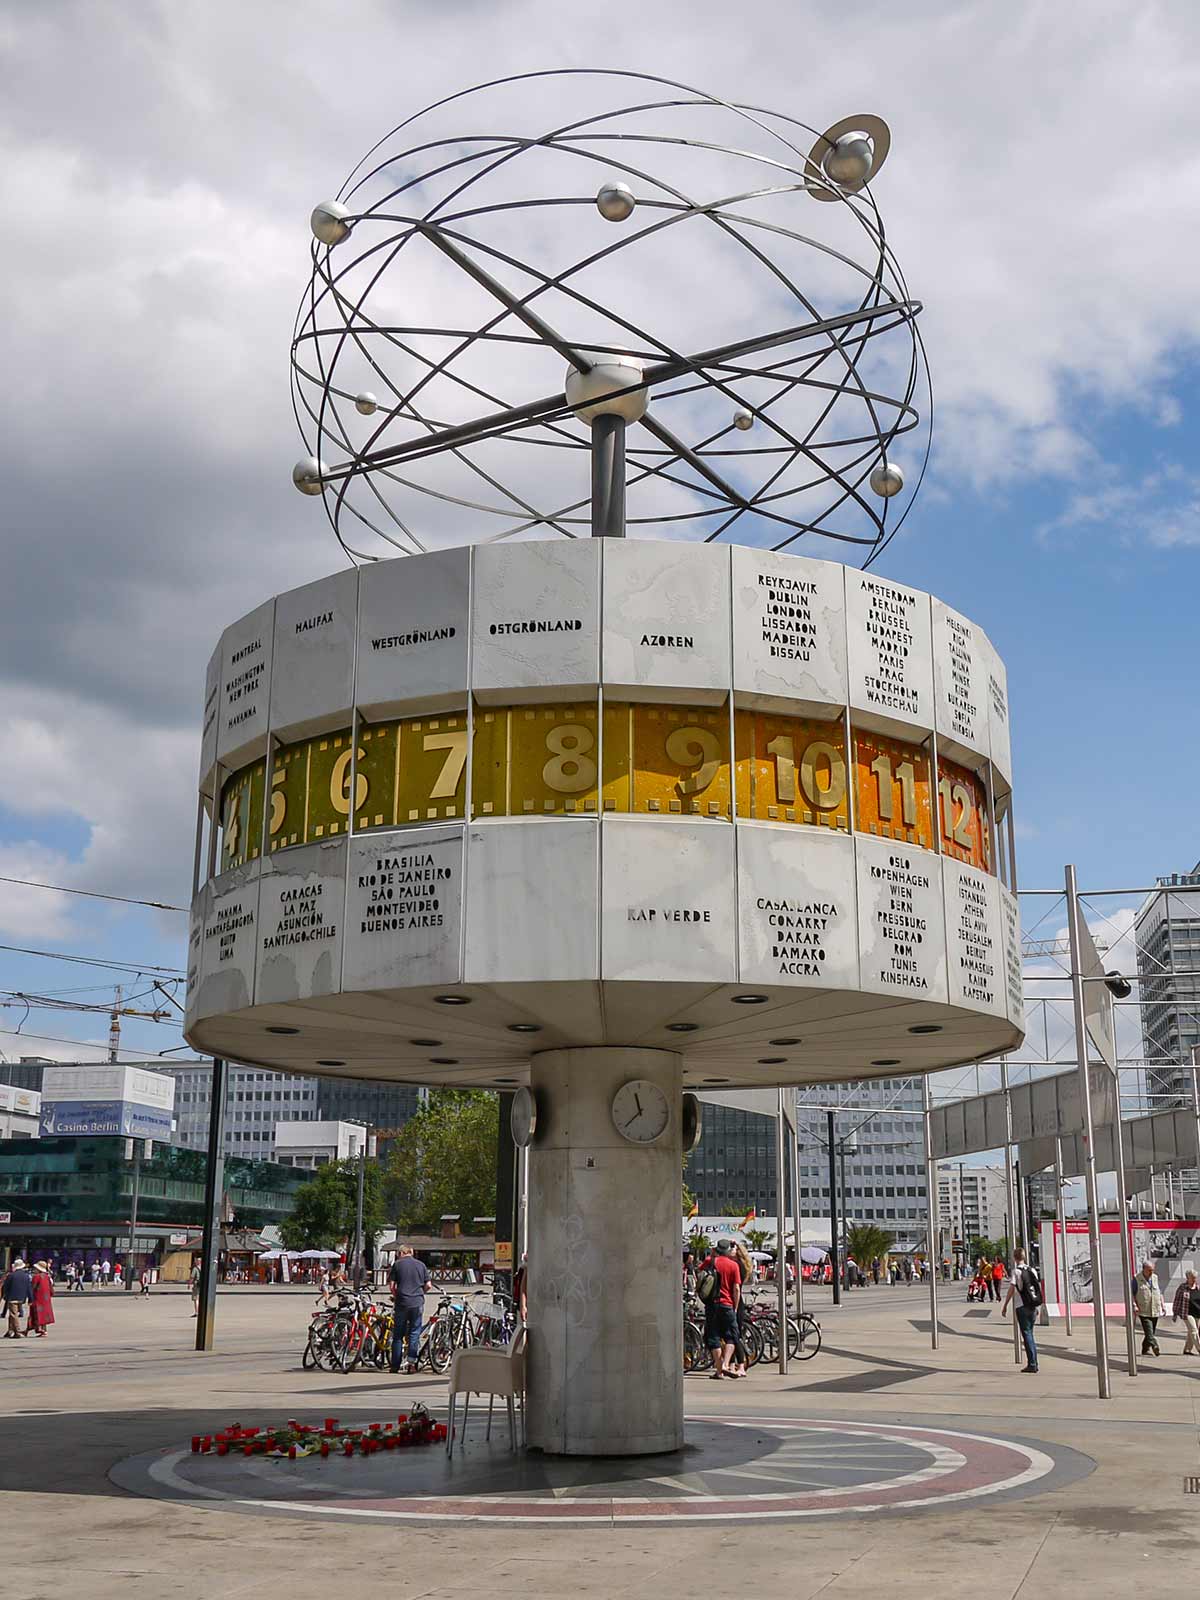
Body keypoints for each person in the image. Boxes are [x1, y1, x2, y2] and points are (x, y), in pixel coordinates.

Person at [698, 1239, 741, 1380]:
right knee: (731, 1336)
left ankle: (719, 1370)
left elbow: (700, 1275)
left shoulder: (710, 1261)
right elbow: (736, 1289)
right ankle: (726, 1364)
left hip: (711, 1304)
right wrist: (735, 1306)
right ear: (728, 1250)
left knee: (713, 1336)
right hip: (727, 1304)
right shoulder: (733, 1265)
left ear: (716, 1249)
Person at [388, 1245, 432, 1375]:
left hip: (402, 1302)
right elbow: (428, 1285)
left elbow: (391, 1286)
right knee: (414, 1333)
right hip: (417, 1302)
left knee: (398, 1335)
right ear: (411, 1253)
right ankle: (411, 1365)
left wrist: (396, 1296)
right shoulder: (421, 1265)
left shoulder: (397, 1265)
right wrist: (420, 1293)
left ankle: (395, 1366)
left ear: (402, 1252)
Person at [1001, 1246, 1043, 1373]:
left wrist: (1005, 1305)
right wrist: (1037, 1305)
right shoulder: (1032, 1270)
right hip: (1033, 1305)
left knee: (1027, 1334)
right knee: (1030, 1333)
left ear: (1014, 1258)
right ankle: (1034, 1361)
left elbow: (1011, 1289)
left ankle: (1032, 1364)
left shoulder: (1016, 1272)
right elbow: (1036, 1288)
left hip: (1021, 1306)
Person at [1134, 1259, 1164, 1355]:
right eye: (1149, 1270)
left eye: (1152, 1270)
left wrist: (1162, 1306)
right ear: (1144, 1269)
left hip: (1155, 1309)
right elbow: (1132, 1294)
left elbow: (1159, 1293)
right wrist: (1135, 1305)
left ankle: (1145, 1349)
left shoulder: (1155, 1277)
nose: (1151, 1272)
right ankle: (1155, 1345)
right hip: (1144, 1310)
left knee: (1151, 1332)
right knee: (1149, 1331)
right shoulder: (1136, 1279)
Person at [1172, 1268, 1200, 1355]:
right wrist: (1175, 1313)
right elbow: (1177, 1300)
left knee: (1191, 1332)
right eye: (1192, 1277)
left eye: (1195, 1277)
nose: (1194, 1279)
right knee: (1193, 1330)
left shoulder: (1198, 1287)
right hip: (1186, 1313)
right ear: (1187, 1278)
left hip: (1197, 1312)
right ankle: (1199, 1348)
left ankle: (1187, 1349)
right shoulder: (1182, 1287)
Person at [1, 1257, 32, 1338]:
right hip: (22, 1298)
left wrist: (5, 1296)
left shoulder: (11, 1275)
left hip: (12, 1297)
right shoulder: (26, 1276)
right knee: (12, 1314)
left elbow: (6, 1287)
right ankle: (10, 1330)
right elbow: (29, 1288)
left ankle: (17, 1331)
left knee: (13, 1314)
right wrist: (30, 1298)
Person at [28, 1261, 55, 1338]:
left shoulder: (36, 1277)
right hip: (46, 1299)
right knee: (44, 1315)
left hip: (38, 1298)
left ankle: (39, 1329)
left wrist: (30, 1297)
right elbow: (51, 1289)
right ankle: (44, 1330)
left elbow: (32, 1288)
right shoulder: (47, 1277)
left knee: (37, 1314)